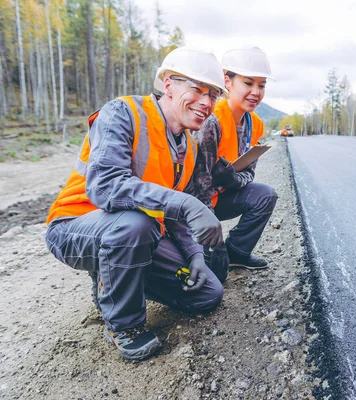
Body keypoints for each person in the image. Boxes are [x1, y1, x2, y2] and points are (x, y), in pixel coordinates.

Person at [44, 47, 228, 361]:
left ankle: (115, 279)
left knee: (207, 293)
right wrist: (183, 203)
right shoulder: (122, 112)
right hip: (75, 227)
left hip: (138, 236)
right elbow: (105, 186)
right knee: (135, 224)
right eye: (196, 89)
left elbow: (171, 216)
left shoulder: (189, 147)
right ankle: (124, 324)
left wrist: (195, 253)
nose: (206, 103)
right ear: (168, 85)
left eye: (212, 95)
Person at [191, 46, 278, 280]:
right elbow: (196, 188)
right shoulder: (211, 120)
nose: (256, 92)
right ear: (227, 82)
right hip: (194, 207)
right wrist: (212, 238)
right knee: (214, 278)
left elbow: (249, 173)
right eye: (248, 83)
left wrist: (232, 179)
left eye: (261, 85)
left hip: (222, 194)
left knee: (265, 195)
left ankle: (237, 253)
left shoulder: (255, 124)